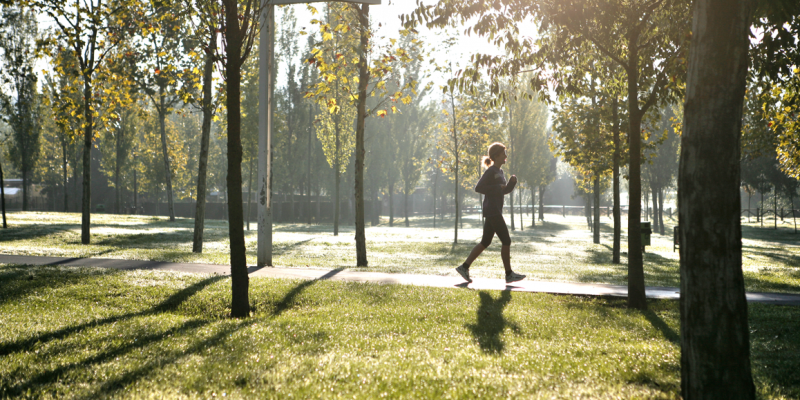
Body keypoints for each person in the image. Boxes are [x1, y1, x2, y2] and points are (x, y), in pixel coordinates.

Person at [455, 142, 526, 284]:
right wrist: (496, 187)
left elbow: (503, 190)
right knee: (506, 240)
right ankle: (509, 274)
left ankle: (464, 267)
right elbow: (479, 188)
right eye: (504, 153)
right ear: (496, 156)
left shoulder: (500, 172)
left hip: (495, 210)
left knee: (485, 242)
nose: (506, 156)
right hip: (492, 210)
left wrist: (511, 183)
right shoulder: (490, 171)